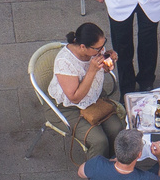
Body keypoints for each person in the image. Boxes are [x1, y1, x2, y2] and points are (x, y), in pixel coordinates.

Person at [50, 22, 125, 160]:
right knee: (99, 141)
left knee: (117, 129)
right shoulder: (65, 62)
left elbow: (106, 69)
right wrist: (92, 70)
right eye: (98, 48)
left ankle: (112, 165)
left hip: (94, 98)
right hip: (70, 107)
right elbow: (74, 97)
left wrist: (109, 62)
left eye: (103, 45)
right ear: (83, 47)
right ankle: (95, 175)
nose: (101, 50)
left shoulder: (95, 50)